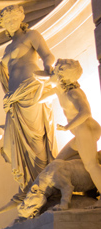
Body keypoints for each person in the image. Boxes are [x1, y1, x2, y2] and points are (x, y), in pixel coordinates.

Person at [0, 5, 56, 216]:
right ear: (4, 25)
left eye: (14, 19)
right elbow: (3, 76)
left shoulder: (32, 35)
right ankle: (31, 186)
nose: (11, 23)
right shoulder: (7, 49)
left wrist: (49, 71)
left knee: (36, 141)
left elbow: (47, 55)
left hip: (31, 90)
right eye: (7, 21)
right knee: (12, 148)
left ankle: (45, 187)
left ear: (21, 19)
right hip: (13, 99)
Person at [38, 59, 101, 208]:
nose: (55, 71)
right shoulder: (59, 90)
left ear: (66, 75)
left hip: (85, 131)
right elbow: (39, 99)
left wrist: (67, 127)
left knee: (91, 165)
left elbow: (85, 112)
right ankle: (62, 194)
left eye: (59, 70)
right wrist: (43, 82)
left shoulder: (74, 93)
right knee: (57, 163)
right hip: (77, 134)